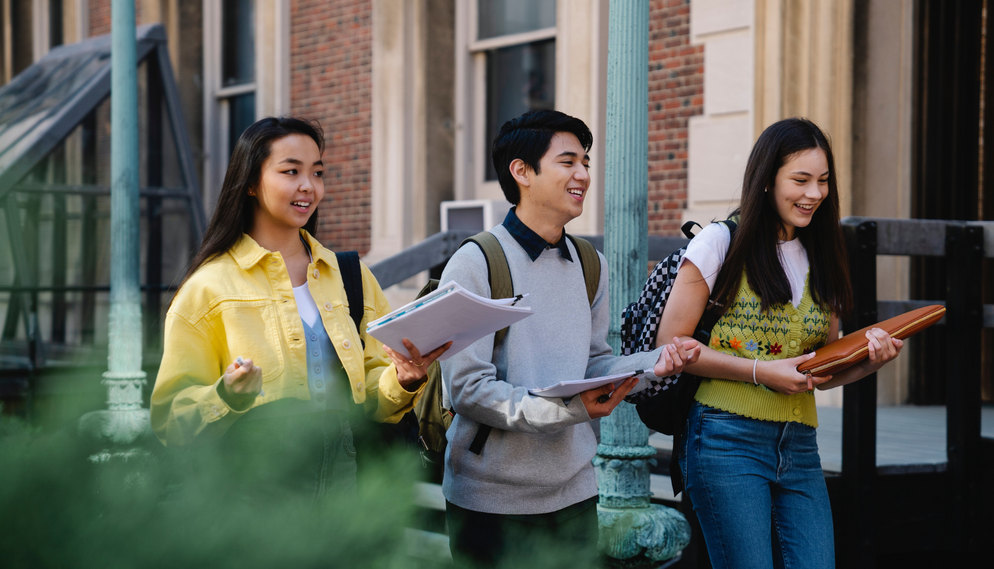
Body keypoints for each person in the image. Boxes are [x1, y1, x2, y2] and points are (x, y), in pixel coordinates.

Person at [438, 109, 701, 568]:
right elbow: (468, 391)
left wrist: (654, 363)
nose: (583, 174)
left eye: (586, 162)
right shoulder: (474, 263)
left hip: (577, 491)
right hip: (491, 500)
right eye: (568, 162)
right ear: (521, 171)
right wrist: (568, 409)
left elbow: (594, 365)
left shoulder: (588, 262)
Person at [150, 116, 448, 504]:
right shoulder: (209, 287)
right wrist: (226, 394)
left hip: (349, 476)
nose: (309, 186)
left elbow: (373, 397)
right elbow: (172, 419)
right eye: (291, 171)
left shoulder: (349, 274)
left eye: (317, 172)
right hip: (254, 485)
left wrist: (405, 378)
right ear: (252, 183)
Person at [655, 117, 903, 569]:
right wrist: (759, 371)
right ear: (767, 180)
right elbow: (672, 342)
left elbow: (821, 370)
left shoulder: (823, 251)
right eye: (801, 180)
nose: (814, 194)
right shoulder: (719, 243)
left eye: (823, 181)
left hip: (800, 444)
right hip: (724, 439)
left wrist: (870, 361)